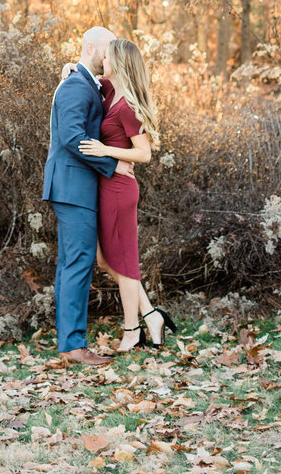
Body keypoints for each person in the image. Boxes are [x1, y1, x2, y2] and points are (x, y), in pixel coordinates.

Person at [42, 26, 137, 367]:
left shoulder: (88, 84)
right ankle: (73, 345)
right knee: (78, 263)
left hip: (77, 186)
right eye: (108, 48)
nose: (111, 55)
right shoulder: (75, 86)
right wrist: (113, 164)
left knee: (74, 263)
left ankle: (70, 343)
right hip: (72, 187)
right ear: (91, 49)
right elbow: (71, 137)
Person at [79, 38, 177, 352]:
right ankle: (151, 315)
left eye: (106, 57)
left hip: (120, 191)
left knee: (123, 263)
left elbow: (144, 153)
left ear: (119, 63)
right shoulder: (110, 92)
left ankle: (132, 331)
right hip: (108, 186)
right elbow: (89, 79)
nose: (102, 61)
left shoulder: (128, 107)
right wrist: (71, 68)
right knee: (107, 259)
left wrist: (106, 151)